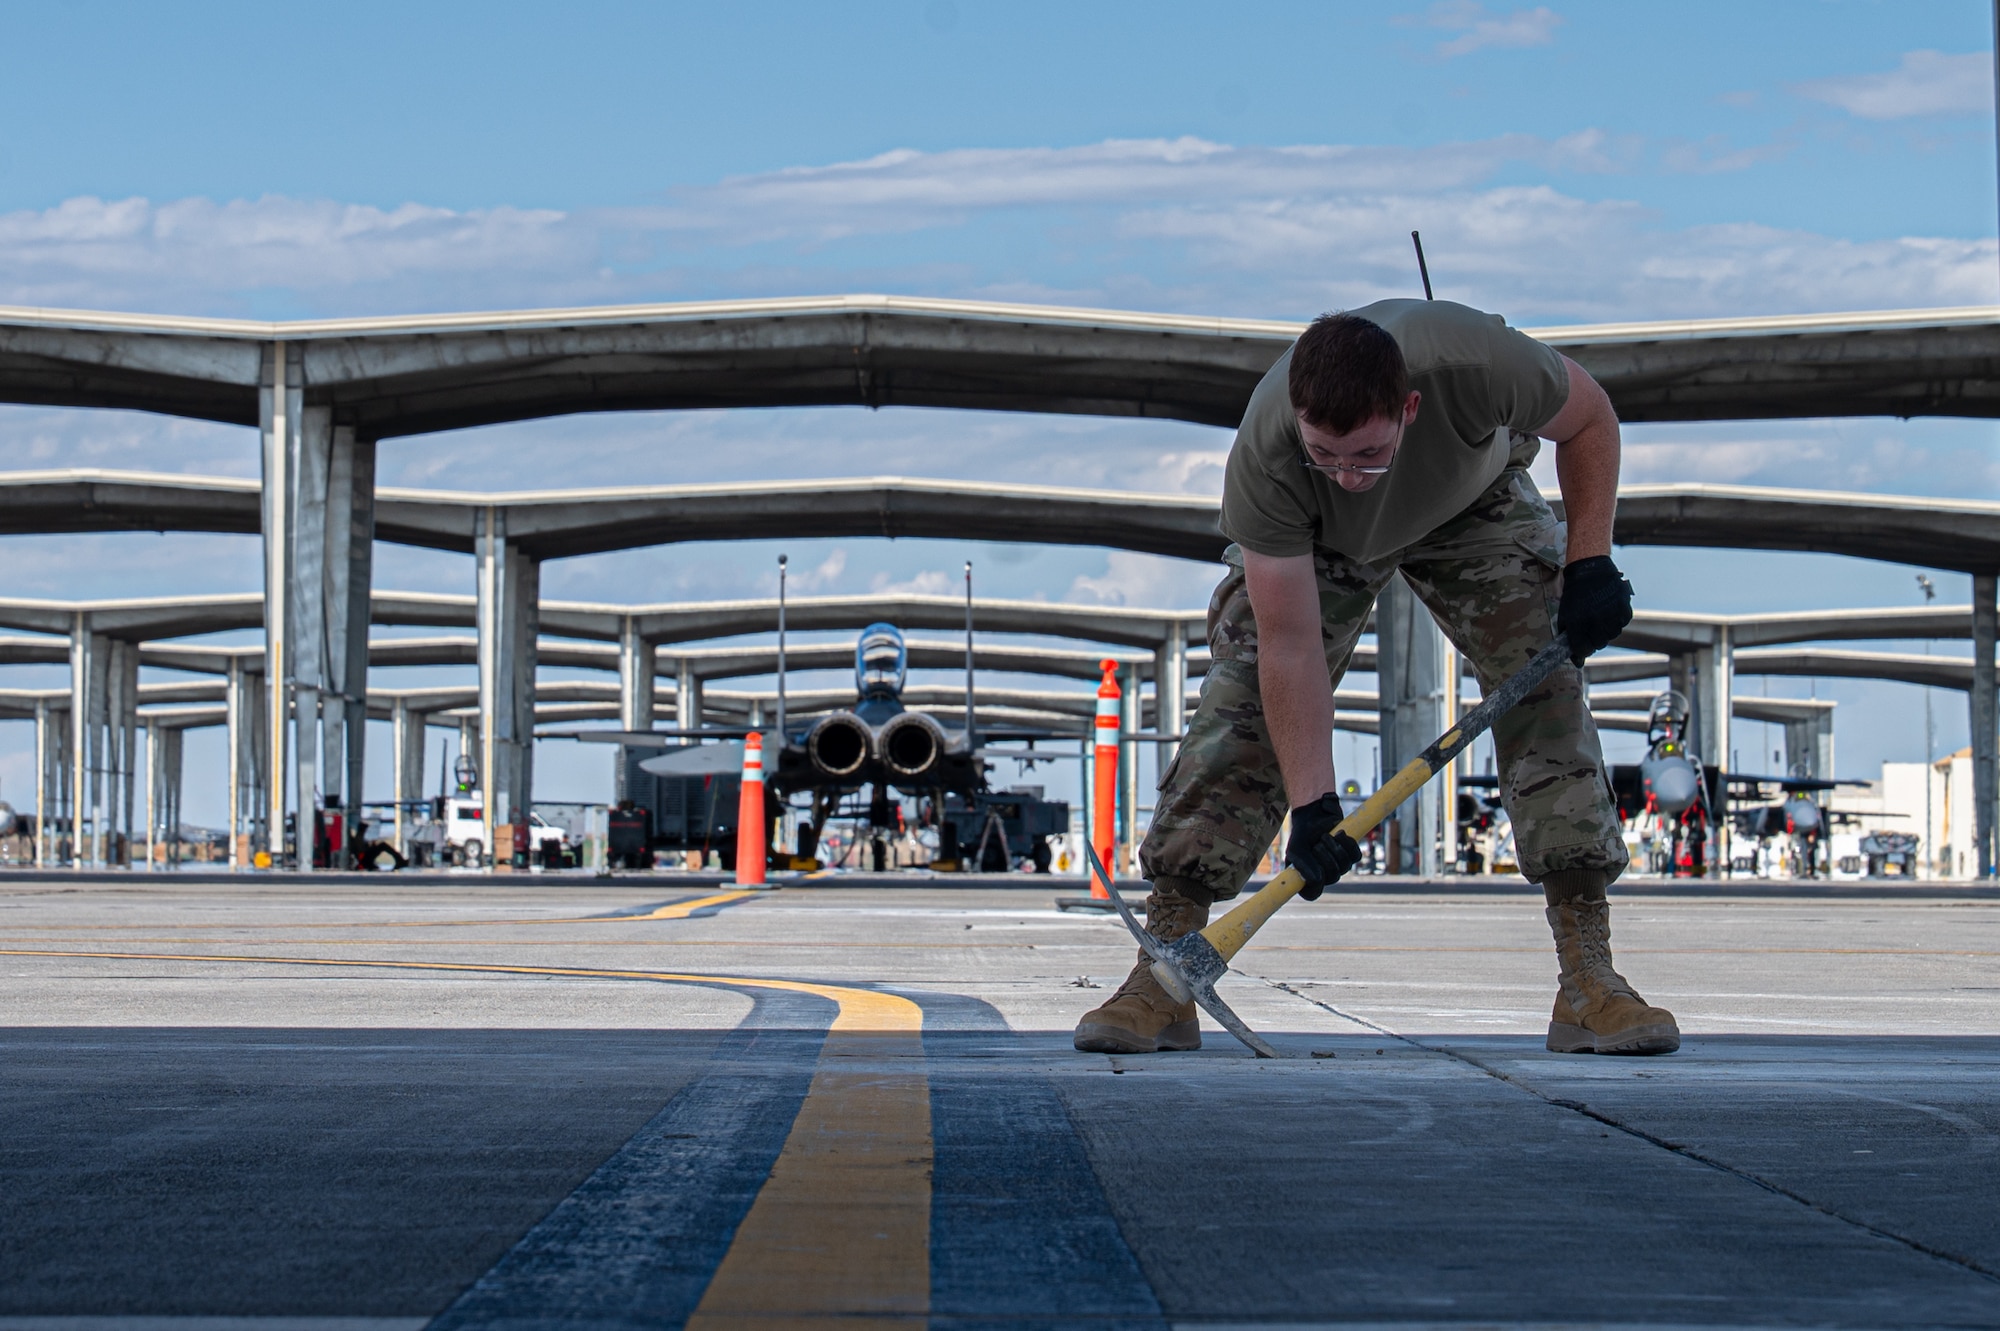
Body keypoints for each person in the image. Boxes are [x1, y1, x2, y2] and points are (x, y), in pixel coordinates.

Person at [1074, 300, 1678, 1058]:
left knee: (1545, 690)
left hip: (1474, 501)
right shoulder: (1267, 458)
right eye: (1326, 455)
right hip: (1325, 539)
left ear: (1410, 408)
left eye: (1367, 452)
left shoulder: (1478, 364)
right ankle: (1165, 972)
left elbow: (1590, 419)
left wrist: (1590, 560)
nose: (1349, 474)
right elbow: (1290, 648)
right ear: (1299, 421)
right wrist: (1313, 804)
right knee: (1242, 705)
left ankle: (1588, 977)